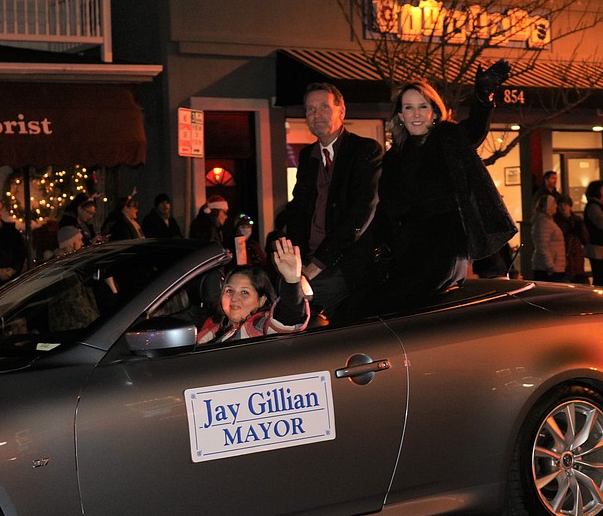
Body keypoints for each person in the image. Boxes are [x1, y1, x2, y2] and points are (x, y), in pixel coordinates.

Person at [358, 62, 516, 315]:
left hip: (445, 247)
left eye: (423, 107)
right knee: (371, 303)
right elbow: (386, 208)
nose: (416, 114)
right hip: (408, 249)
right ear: (400, 115)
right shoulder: (394, 158)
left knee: (393, 303)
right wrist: (377, 249)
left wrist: (484, 96)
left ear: (434, 112)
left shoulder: (447, 138)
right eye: (409, 108)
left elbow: (473, 131)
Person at [286, 83, 383, 320]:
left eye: (323, 107)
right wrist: (293, 262)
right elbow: (298, 211)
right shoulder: (307, 157)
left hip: (343, 264)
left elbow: (360, 213)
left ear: (342, 111)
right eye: (310, 110)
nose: (316, 115)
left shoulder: (365, 150)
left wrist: (314, 267)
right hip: (308, 261)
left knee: (293, 307)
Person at [196, 237, 309, 344]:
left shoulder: (258, 325)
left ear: (262, 300)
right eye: (229, 291)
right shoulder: (214, 325)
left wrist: (291, 281)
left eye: (244, 292)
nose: (234, 298)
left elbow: (287, 320)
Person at [553, 194, 589, 284]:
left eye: (565, 205)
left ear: (570, 206)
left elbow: (585, 239)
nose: (563, 207)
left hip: (576, 254)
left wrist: (580, 227)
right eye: (560, 205)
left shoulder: (577, 220)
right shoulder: (556, 220)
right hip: (564, 254)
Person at [531, 195, 566, 282]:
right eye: (553, 203)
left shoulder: (547, 221)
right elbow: (542, 246)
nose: (556, 206)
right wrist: (549, 265)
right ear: (548, 206)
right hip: (548, 269)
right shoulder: (544, 222)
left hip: (553, 266)